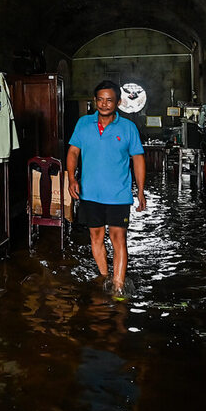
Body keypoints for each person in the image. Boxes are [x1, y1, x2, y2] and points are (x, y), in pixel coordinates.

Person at [66, 80, 146, 297]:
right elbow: (73, 152)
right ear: (95, 101)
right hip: (89, 193)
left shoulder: (128, 128)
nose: (104, 104)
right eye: (100, 99)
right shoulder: (83, 124)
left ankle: (118, 286)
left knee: (118, 238)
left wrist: (140, 190)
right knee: (95, 237)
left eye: (109, 100)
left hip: (118, 194)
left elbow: (138, 159)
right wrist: (72, 178)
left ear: (118, 102)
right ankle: (104, 278)